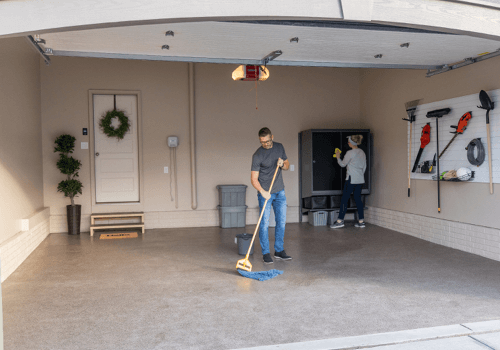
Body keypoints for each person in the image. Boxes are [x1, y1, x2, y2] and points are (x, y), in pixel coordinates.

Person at [251, 127, 292, 264]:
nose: (265, 144)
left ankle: (279, 250)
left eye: (267, 141)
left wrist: (282, 164)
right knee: (264, 224)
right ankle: (266, 253)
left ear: (272, 137)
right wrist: (262, 192)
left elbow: (287, 165)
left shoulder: (279, 147)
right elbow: (253, 179)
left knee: (281, 221)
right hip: (265, 193)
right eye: (262, 142)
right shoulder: (257, 155)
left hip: (279, 191)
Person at [330, 135, 367, 229]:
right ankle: (361, 221)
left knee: (344, 199)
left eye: (349, 142)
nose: (348, 143)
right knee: (358, 199)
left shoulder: (350, 153)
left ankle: (339, 221)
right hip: (360, 179)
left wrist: (338, 157)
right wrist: (359, 175)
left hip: (351, 179)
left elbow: (342, 164)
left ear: (352, 143)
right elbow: (364, 166)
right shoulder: (362, 152)